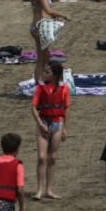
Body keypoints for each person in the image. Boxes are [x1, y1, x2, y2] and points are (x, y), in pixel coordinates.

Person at [31, 59, 70, 200]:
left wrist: (65, 128)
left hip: (56, 123)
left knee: (52, 157)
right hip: (44, 122)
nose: (44, 74)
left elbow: (66, 109)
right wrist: (40, 124)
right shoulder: (40, 88)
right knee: (42, 157)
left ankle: (49, 190)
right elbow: (34, 107)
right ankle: (40, 189)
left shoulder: (64, 88)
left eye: (47, 72)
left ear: (54, 75)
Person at [28, 0, 69, 83]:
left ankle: (40, 82)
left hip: (42, 26)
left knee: (43, 57)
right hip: (39, 28)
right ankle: (39, 83)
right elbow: (48, 10)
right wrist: (63, 15)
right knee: (43, 58)